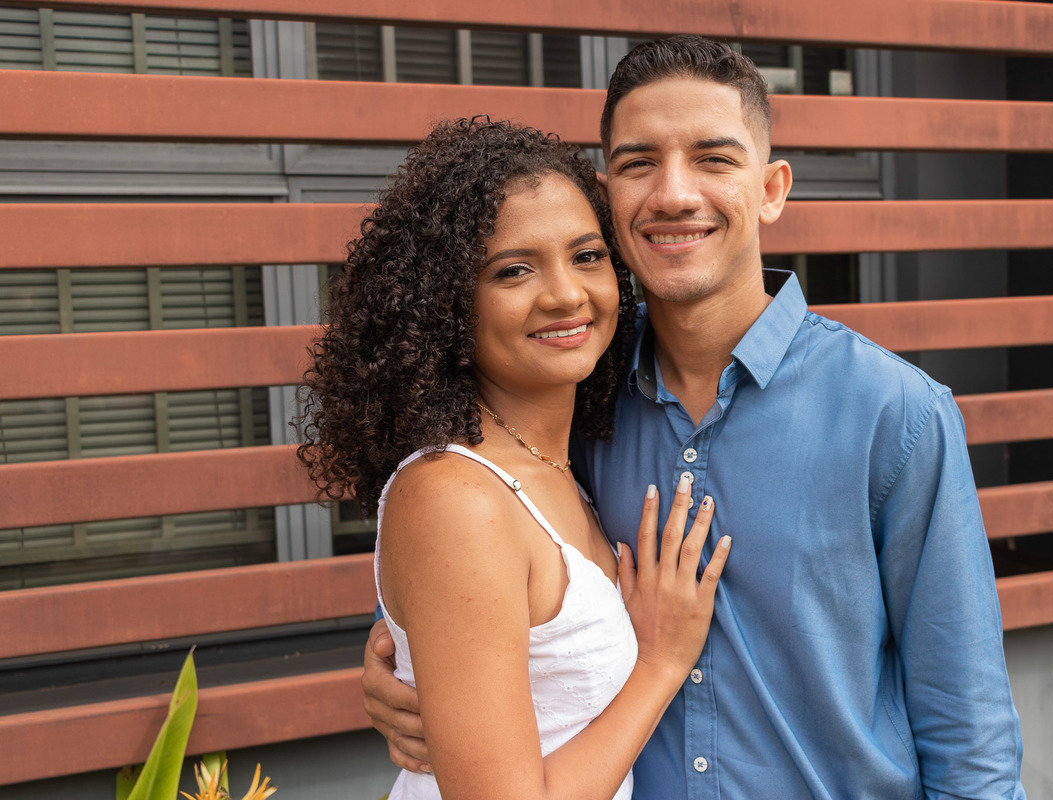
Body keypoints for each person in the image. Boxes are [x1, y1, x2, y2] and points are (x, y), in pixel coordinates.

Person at [364, 37, 1027, 799]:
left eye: (714, 159)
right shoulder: (570, 390)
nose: (674, 194)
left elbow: (968, 732)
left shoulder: (896, 415)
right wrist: (392, 666)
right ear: (608, 195)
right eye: (640, 162)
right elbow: (468, 578)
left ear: (773, 188)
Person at [297, 117, 731, 800]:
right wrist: (662, 662)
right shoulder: (457, 497)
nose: (565, 293)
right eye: (514, 270)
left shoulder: (565, 463)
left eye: (587, 256)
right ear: (447, 305)